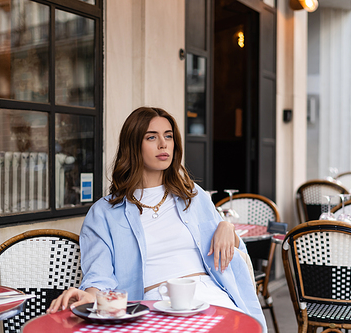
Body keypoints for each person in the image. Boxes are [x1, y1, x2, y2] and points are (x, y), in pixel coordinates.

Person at [47, 106, 266, 330]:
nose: (163, 144)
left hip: (209, 295)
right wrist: (90, 296)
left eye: (168, 136)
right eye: (151, 137)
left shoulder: (193, 195)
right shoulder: (104, 213)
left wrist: (226, 226)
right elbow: (99, 276)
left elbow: (233, 256)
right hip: (151, 305)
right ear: (133, 145)